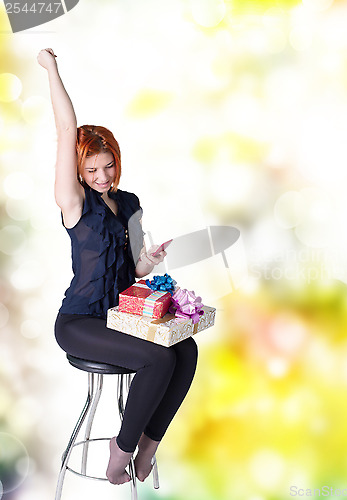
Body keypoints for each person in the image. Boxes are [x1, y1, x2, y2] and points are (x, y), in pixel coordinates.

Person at [38, 48, 198, 486]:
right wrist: (52, 69)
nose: (103, 176)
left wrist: (148, 259)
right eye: (92, 169)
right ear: (78, 170)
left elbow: (136, 269)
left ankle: (147, 445)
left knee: (186, 350)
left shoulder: (128, 203)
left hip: (122, 316)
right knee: (157, 359)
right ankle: (120, 447)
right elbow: (65, 128)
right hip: (81, 320)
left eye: (108, 166)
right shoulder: (74, 202)